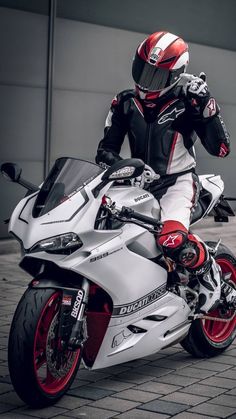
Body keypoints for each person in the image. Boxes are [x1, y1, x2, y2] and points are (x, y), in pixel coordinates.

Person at [95, 31, 236, 314]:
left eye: (157, 75)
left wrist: (207, 106)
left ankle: (211, 277)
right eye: (144, 70)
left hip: (178, 182)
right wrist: (125, 169)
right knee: (102, 232)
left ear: (176, 75)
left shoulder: (189, 101)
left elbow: (221, 148)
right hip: (136, 183)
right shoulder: (123, 102)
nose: (147, 81)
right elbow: (104, 152)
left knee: (171, 240)